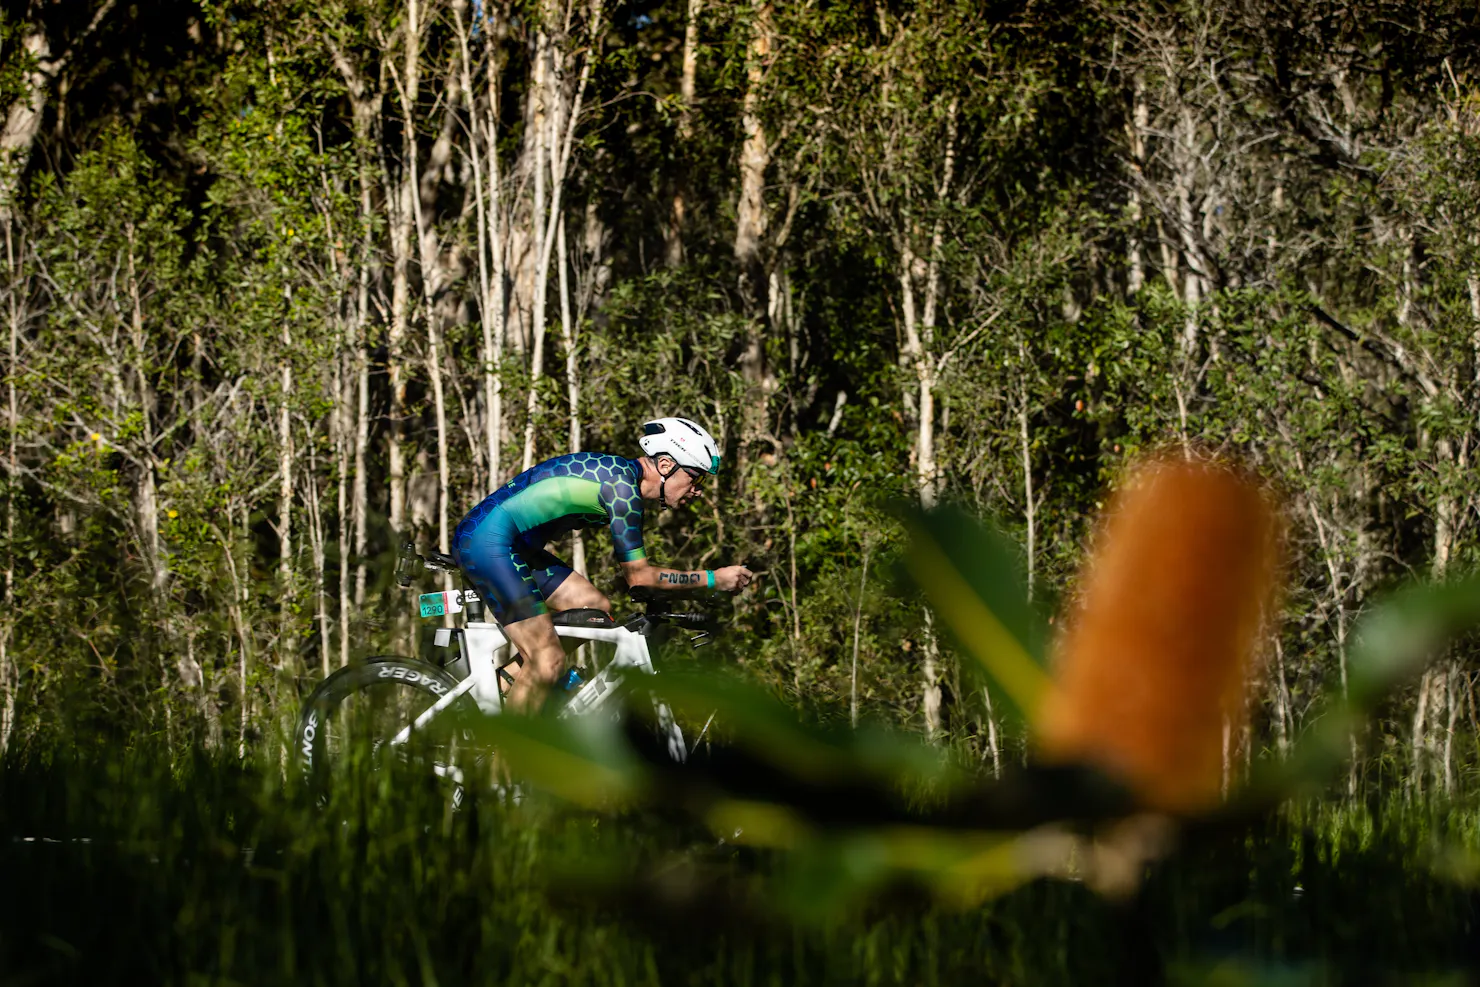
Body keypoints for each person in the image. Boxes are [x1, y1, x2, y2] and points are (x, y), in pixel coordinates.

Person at [453, 417, 754, 711]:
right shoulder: (623, 489)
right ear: (665, 465)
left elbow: (633, 577)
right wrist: (714, 579)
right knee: (548, 661)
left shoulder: (624, 480)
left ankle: (508, 683)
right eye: (695, 477)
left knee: (592, 608)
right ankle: (507, 758)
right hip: (487, 542)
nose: (697, 490)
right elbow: (639, 576)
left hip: (512, 546)